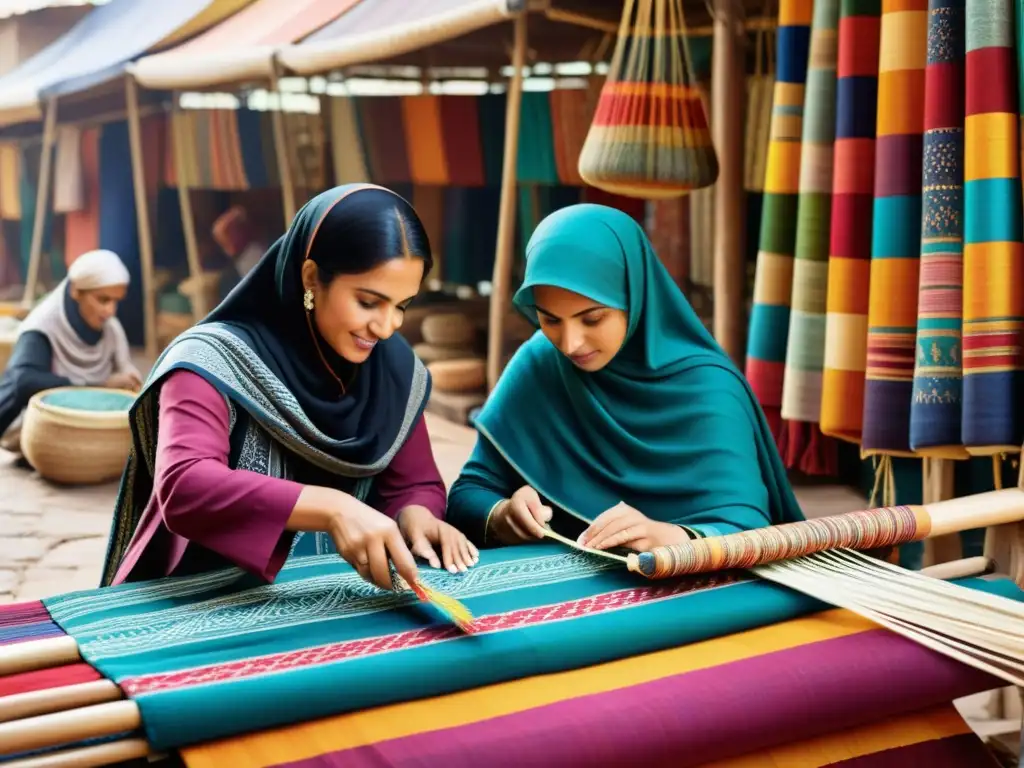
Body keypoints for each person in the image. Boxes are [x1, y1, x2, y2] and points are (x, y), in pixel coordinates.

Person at [101, 184, 478, 594]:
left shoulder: (392, 368)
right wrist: (332, 508)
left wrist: (416, 516)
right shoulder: (210, 361)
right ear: (312, 277)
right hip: (209, 597)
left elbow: (414, 481)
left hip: (340, 596)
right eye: (369, 303)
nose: (386, 327)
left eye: (402, 306)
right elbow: (185, 485)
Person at [446, 204, 805, 551]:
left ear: (634, 298)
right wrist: (502, 514)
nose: (570, 344)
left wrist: (669, 538)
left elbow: (750, 529)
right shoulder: (542, 362)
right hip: (556, 593)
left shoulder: (709, 390)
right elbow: (470, 491)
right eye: (550, 319)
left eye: (593, 318)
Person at [0, 249, 141, 453]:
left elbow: (125, 368)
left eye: (115, 301)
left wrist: (131, 379)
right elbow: (24, 381)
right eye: (103, 300)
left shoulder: (111, 328)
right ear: (76, 291)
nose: (110, 310)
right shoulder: (42, 327)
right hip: (46, 429)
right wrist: (98, 386)